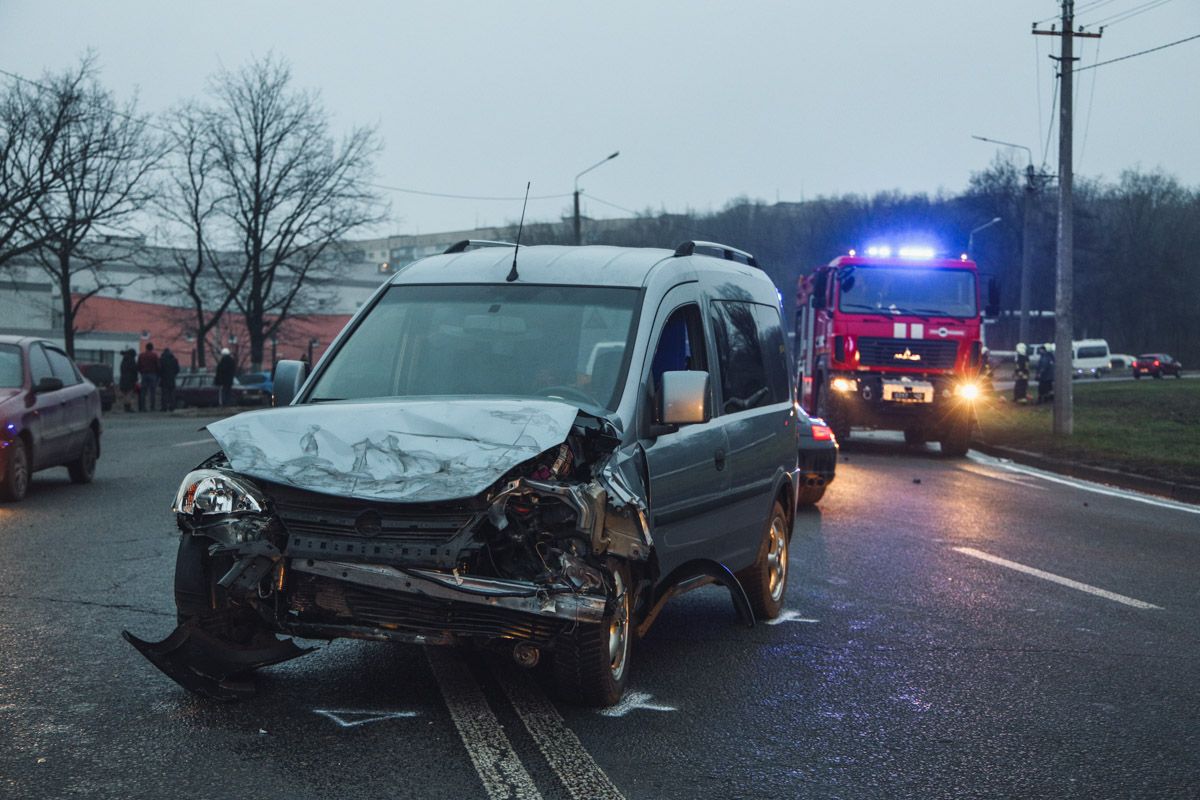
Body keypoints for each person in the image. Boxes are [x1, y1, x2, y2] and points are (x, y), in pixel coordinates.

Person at [137, 342, 160, 411]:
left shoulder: (141, 355)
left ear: (146, 348)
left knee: (143, 392)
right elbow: (158, 366)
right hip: (152, 374)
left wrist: (141, 372)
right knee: (152, 392)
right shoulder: (154, 355)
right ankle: (152, 407)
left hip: (144, 374)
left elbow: (138, 365)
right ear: (152, 348)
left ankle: (143, 407)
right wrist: (157, 374)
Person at [159, 347, 180, 412]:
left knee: (164, 394)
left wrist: (161, 375)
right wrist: (173, 374)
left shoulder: (161, 360)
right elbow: (177, 370)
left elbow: (159, 369)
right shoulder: (174, 360)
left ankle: (164, 407)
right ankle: (172, 407)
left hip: (164, 379)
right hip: (172, 379)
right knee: (172, 394)